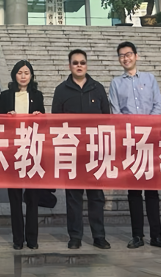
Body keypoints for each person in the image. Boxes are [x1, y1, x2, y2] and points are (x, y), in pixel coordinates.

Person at [108, 41, 161, 249]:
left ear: (136, 56)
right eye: (121, 55)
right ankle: (137, 236)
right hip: (130, 142)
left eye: (128, 54)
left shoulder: (149, 79)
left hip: (150, 140)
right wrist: (132, 132)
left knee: (152, 190)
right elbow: (116, 112)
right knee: (134, 191)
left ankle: (156, 236)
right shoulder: (116, 83)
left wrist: (147, 128)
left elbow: (157, 105)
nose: (125, 58)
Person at [51, 50, 110, 250]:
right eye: (75, 63)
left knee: (96, 196)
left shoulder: (97, 88)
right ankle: (75, 236)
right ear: (69, 66)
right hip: (72, 151)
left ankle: (99, 236)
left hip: (94, 151)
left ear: (86, 65)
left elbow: (107, 119)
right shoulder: (61, 90)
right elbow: (55, 121)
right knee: (73, 196)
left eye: (82, 62)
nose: (79, 66)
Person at [0, 60, 45, 250]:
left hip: (32, 150)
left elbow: (44, 124)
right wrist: (6, 117)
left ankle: (32, 239)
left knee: (33, 198)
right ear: (14, 75)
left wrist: (39, 117)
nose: (23, 76)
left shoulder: (37, 95)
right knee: (15, 198)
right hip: (13, 151)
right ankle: (18, 239)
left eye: (26, 73)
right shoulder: (6, 95)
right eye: (20, 73)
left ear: (31, 76)